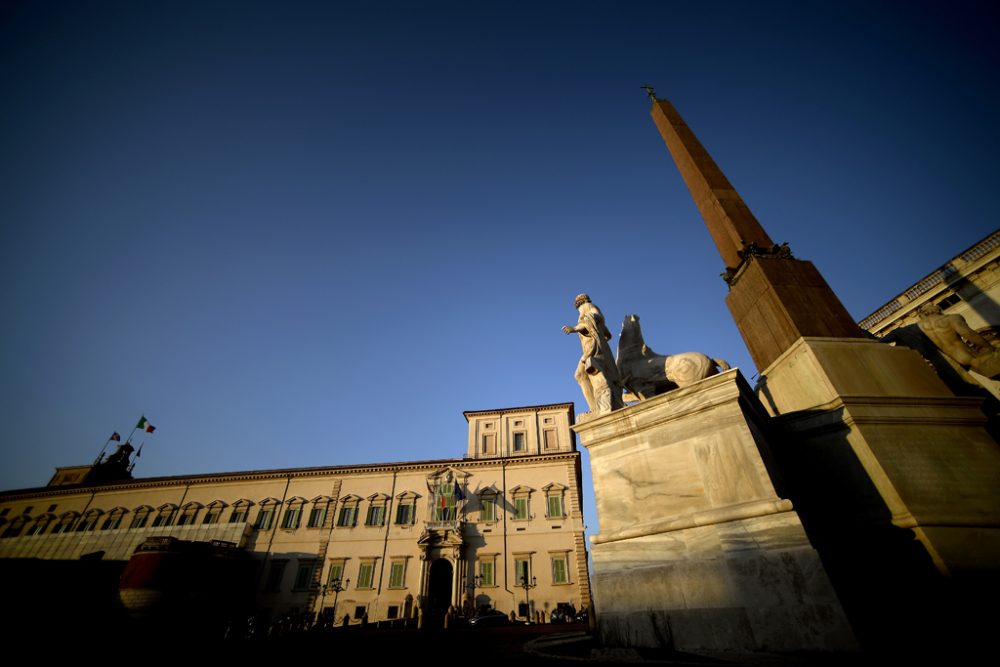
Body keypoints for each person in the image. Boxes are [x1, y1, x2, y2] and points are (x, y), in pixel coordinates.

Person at [562, 294, 624, 415]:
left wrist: (575, 328)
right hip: (591, 347)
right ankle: (595, 408)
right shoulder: (584, 310)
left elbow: (594, 317)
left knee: (587, 372)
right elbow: (608, 334)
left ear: (580, 302)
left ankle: (602, 404)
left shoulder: (587, 306)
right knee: (580, 374)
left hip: (593, 348)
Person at [917, 302, 1000, 378]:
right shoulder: (951, 318)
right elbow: (967, 333)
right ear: (937, 310)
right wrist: (989, 347)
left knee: (993, 375)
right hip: (968, 355)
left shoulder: (920, 329)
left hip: (956, 361)